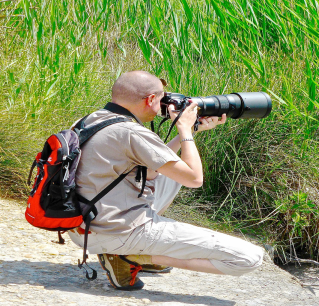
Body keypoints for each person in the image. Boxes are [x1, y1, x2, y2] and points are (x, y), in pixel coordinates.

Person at [68, 70, 263, 291]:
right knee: (250, 258)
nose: (165, 105)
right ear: (150, 99)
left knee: (169, 177)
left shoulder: (92, 119)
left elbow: (152, 170)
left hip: (84, 225)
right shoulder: (132, 132)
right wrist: (184, 128)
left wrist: (187, 133)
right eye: (162, 98)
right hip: (116, 232)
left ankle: (124, 251)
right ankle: (132, 256)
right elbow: (194, 178)